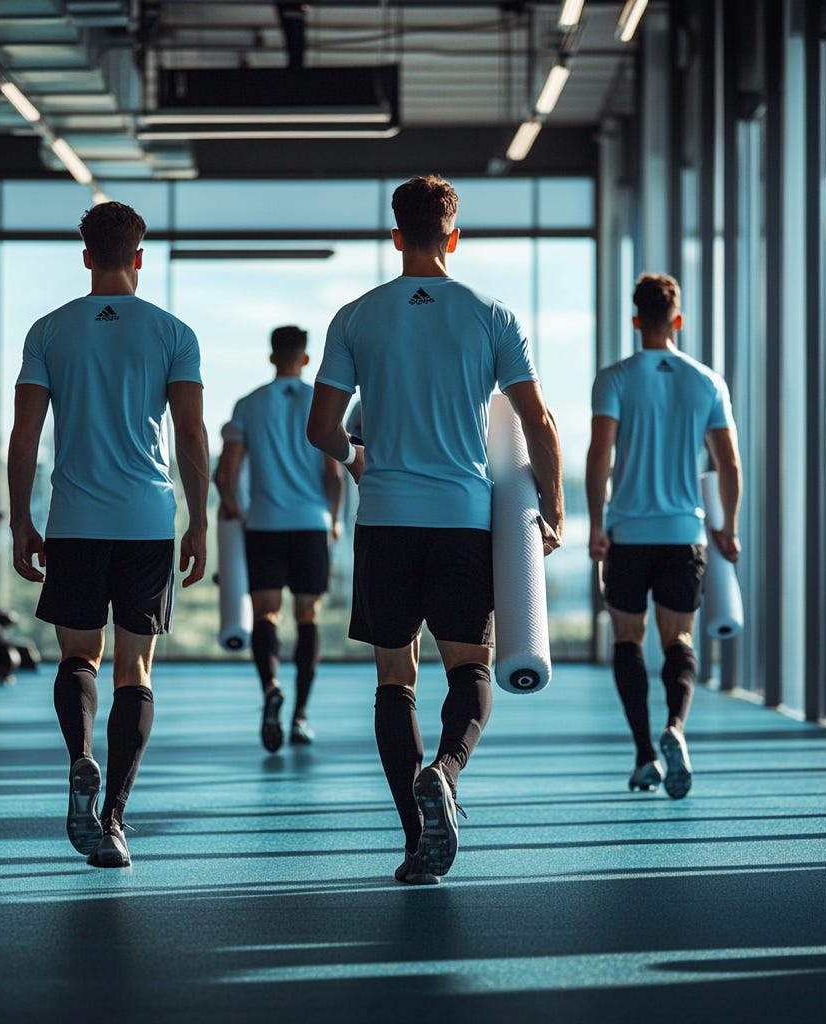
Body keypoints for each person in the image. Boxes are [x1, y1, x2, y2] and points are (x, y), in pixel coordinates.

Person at [307, 175, 564, 885]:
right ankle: (445, 771)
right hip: (461, 519)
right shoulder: (491, 315)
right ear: (453, 236)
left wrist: (362, 462)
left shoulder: (356, 316)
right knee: (470, 669)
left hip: (387, 519)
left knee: (396, 678)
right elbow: (537, 422)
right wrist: (557, 508)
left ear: (396, 236)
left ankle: (417, 841)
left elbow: (321, 429)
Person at [7, 201, 209, 868]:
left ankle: (81, 759)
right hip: (148, 521)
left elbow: (26, 437)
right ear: (140, 257)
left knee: (77, 659)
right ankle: (115, 821)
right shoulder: (175, 333)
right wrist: (199, 519)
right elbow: (190, 435)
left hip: (75, 521)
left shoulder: (49, 331)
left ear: (87, 255)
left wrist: (20, 520)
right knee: (135, 670)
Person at [586, 272, 742, 800]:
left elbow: (599, 456)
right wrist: (727, 528)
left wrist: (595, 524)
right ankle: (675, 726)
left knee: (628, 639)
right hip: (684, 534)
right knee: (679, 638)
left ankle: (644, 756)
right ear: (678, 319)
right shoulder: (706, 381)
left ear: (636, 320)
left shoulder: (614, 379)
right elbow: (729, 465)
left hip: (628, 532)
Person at [214, 326, 343, 752]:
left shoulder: (249, 404)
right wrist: (335, 520)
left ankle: (270, 686)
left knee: (266, 615)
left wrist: (231, 504)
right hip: (311, 524)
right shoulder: (318, 403)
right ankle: (301, 717)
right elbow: (333, 473)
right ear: (304, 359)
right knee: (308, 616)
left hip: (264, 524)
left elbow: (226, 470)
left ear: (272, 357)